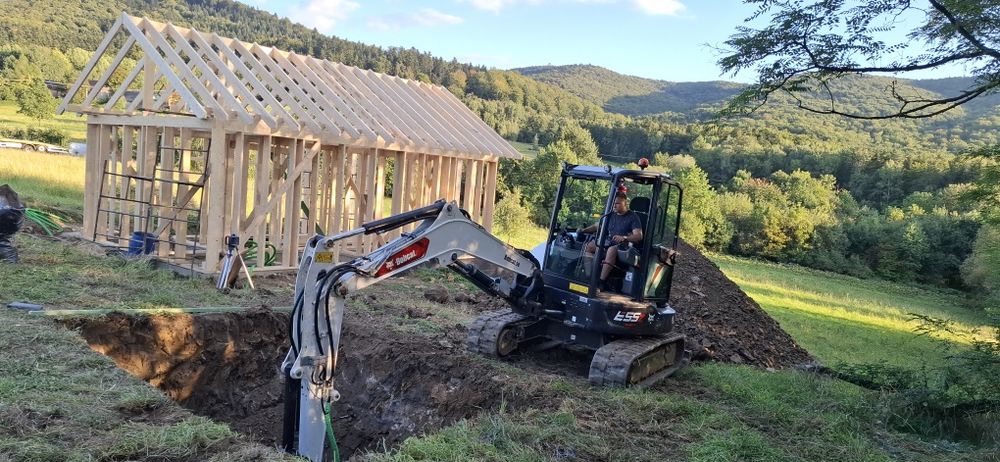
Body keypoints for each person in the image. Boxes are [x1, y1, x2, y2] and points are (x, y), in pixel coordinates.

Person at [580, 192, 643, 289]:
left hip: (624, 246)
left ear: (625, 203)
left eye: (617, 203)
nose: (614, 206)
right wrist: (583, 230)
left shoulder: (633, 217)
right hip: (607, 242)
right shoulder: (610, 215)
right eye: (613, 203)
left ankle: (601, 282)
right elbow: (597, 226)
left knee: (611, 250)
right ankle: (588, 276)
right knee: (589, 246)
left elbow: (638, 236)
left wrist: (624, 237)